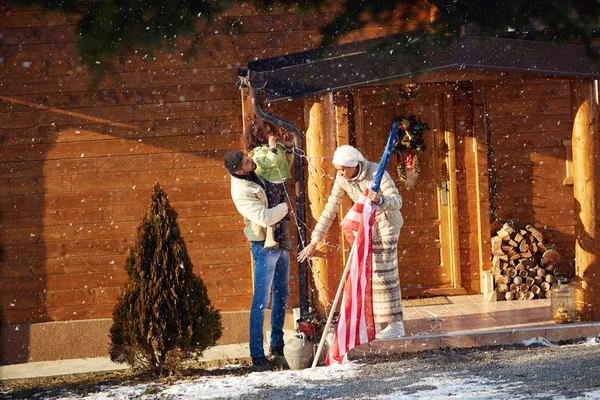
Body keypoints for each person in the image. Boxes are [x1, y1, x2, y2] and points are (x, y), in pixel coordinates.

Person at [297, 145, 405, 340]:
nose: (340, 173)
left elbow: (397, 201)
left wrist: (381, 200)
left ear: (355, 164)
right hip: (368, 229)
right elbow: (330, 209)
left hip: (387, 225)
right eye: (338, 169)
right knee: (371, 275)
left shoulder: (375, 172)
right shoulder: (342, 179)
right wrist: (315, 240)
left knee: (385, 272)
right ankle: (381, 323)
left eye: (343, 169)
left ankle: (396, 325)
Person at [224, 150, 291, 367]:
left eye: (248, 157)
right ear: (238, 170)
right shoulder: (240, 192)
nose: (251, 160)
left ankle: (277, 344)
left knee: (282, 293)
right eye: (246, 161)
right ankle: (257, 355)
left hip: (278, 240)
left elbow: (279, 168)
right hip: (262, 245)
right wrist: (285, 206)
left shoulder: (254, 173)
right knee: (261, 300)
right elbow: (264, 217)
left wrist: (283, 150)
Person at [242, 119, 294, 249]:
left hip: (281, 182)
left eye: (271, 130)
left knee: (285, 211)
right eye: (267, 132)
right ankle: (270, 238)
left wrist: (288, 148)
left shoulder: (275, 147)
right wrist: (272, 149)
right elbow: (269, 163)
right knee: (273, 210)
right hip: (271, 184)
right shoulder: (258, 152)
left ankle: (285, 240)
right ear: (259, 137)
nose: (271, 133)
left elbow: (284, 165)